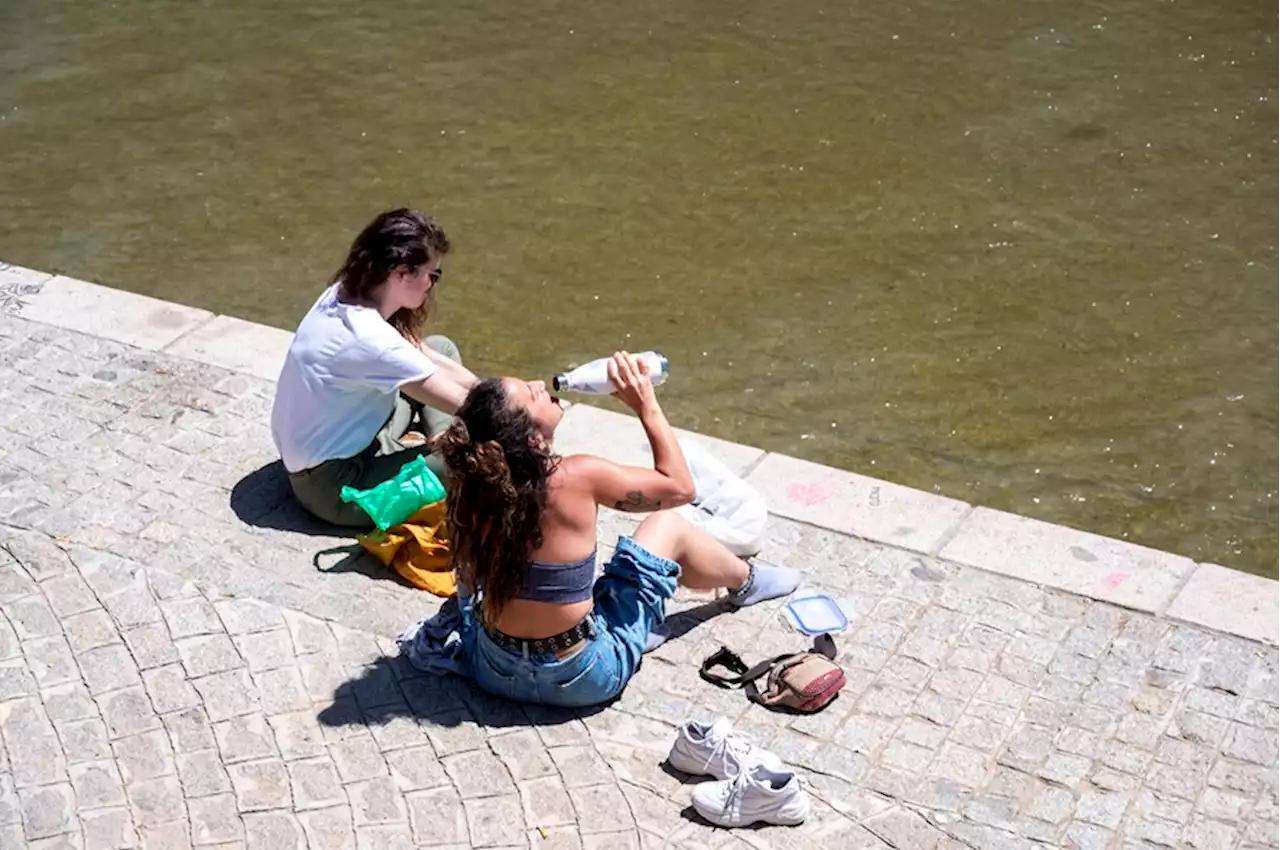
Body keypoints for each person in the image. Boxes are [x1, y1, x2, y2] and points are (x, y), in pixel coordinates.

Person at [438, 352, 801, 708]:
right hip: (582, 678)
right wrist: (646, 404)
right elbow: (680, 488)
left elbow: (468, 579)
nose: (538, 383)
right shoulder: (575, 476)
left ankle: (633, 627)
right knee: (666, 526)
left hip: (491, 670)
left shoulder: (473, 484)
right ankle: (746, 582)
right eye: (532, 394)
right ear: (533, 439)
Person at [271, 209, 480, 527]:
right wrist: (523, 409)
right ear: (401, 272)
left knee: (441, 347)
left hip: (357, 436)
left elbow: (424, 356)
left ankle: (439, 437)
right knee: (475, 461)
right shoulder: (370, 339)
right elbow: (475, 408)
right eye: (432, 275)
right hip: (336, 487)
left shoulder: (346, 292)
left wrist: (492, 392)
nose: (432, 285)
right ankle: (439, 447)